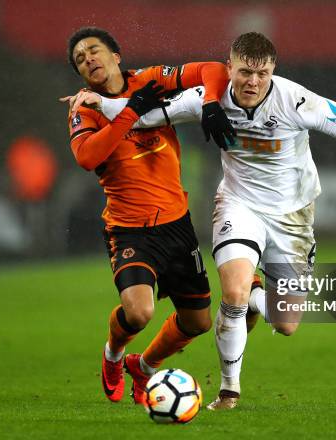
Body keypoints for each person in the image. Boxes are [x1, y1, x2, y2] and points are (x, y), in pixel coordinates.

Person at [64, 32, 336, 409]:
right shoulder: (205, 99)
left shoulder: (298, 101)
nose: (253, 82)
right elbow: (147, 119)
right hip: (239, 206)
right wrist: (99, 104)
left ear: (273, 70)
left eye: (262, 73)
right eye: (244, 72)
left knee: (285, 323)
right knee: (232, 296)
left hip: (293, 217)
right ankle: (228, 391)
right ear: (230, 69)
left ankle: (251, 295)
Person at [64, 26, 235, 405]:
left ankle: (144, 366)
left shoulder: (150, 80)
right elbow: (87, 157)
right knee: (139, 313)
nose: (88, 59)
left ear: (116, 55)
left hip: (176, 224)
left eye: (94, 50)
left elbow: (214, 70)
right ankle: (113, 355)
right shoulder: (85, 107)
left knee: (198, 323)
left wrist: (209, 103)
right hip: (129, 230)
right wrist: (130, 112)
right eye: (80, 59)